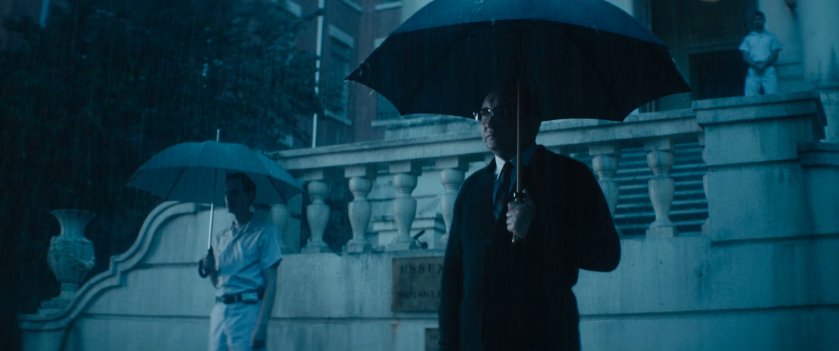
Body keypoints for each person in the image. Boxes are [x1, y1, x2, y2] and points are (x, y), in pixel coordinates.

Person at [438, 86, 621, 351]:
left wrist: (537, 228)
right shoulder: (471, 188)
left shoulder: (569, 177)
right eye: (484, 112)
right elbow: (452, 282)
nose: (488, 121)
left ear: (532, 120)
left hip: (543, 339)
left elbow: (607, 254)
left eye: (500, 111)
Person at [199, 172, 282, 351]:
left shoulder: (264, 234)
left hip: (247, 313)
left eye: (235, 193)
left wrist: (261, 326)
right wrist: (211, 270)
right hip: (220, 311)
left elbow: (272, 283)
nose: (229, 198)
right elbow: (219, 284)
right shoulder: (221, 238)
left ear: (249, 195)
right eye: (226, 193)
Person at [739, 11, 783, 96]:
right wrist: (756, 66)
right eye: (755, 20)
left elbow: (775, 54)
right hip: (753, 69)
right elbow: (745, 56)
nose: (758, 21)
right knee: (750, 96)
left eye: (760, 19)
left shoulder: (771, 37)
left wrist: (763, 65)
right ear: (753, 22)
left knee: (772, 94)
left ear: (764, 20)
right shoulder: (748, 38)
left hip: (768, 69)